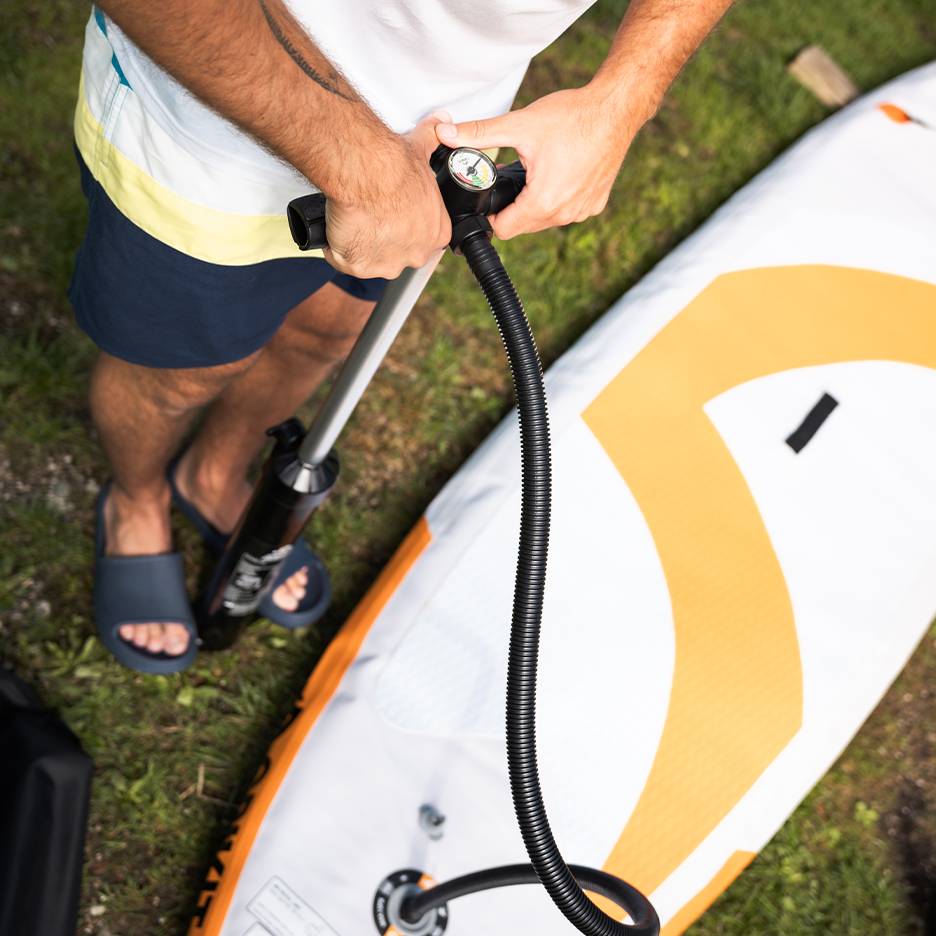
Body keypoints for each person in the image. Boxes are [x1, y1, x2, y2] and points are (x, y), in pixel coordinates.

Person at [74, 0, 732, 672]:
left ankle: (214, 473)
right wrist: (361, 167)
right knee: (179, 369)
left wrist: (623, 96)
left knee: (321, 336)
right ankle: (136, 497)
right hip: (212, 118)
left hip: (433, 139)